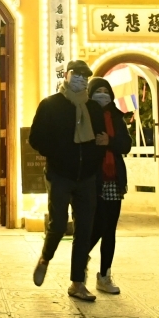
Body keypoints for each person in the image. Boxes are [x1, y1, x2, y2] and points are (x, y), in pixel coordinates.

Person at [28, 60, 107, 302]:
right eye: (77, 74)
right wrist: (58, 153)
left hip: (87, 177)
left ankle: (77, 283)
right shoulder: (51, 105)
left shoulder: (93, 108)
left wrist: (95, 155)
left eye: (86, 76)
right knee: (59, 224)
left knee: (84, 229)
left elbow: (102, 139)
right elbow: (35, 138)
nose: (81, 79)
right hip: (60, 174)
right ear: (66, 75)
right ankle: (45, 257)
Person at [85, 76, 132, 295]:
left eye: (106, 91)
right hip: (92, 178)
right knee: (95, 225)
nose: (102, 94)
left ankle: (104, 275)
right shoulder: (85, 115)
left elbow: (126, 145)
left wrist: (109, 142)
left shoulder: (117, 117)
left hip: (114, 179)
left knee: (109, 229)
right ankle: (81, 259)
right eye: (98, 90)